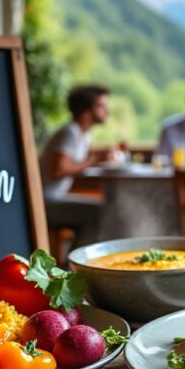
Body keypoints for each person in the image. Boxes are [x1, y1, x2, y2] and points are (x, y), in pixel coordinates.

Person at [39, 84, 113, 247]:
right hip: (46, 201)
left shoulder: (82, 134)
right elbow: (58, 170)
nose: (107, 111)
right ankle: (77, 265)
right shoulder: (70, 132)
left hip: (57, 196)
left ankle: (76, 261)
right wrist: (93, 160)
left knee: (101, 207)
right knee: (99, 211)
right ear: (87, 110)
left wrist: (99, 157)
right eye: (101, 106)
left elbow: (76, 163)